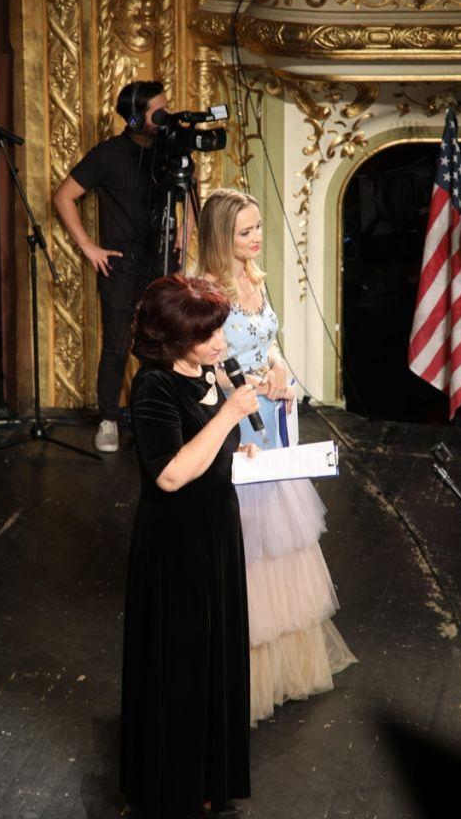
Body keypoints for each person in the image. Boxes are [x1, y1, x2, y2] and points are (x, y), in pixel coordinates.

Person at [196, 188, 356, 725]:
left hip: (274, 415)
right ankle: (247, 673)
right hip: (237, 418)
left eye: (258, 227)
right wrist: (248, 384)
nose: (257, 238)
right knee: (249, 537)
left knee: (281, 536)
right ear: (221, 237)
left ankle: (288, 667)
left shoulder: (255, 279)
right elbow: (204, 364)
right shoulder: (206, 291)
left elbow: (267, 341)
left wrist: (280, 371)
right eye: (245, 231)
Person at [121, 274, 258, 819]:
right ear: (175, 340)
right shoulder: (153, 387)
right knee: (183, 665)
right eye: (208, 335)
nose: (221, 342)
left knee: (213, 657)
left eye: (219, 330)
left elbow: (207, 447)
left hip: (216, 532)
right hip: (176, 545)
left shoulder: (206, 371)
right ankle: (176, 784)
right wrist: (227, 416)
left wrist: (234, 450)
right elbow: (171, 474)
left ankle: (208, 776)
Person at [54, 80, 170, 453]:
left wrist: (181, 240)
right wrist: (88, 246)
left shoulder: (168, 152)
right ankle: (108, 420)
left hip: (161, 261)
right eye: (158, 112)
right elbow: (64, 196)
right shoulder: (108, 155)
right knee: (117, 345)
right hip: (121, 265)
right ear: (135, 118)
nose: (165, 117)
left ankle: (156, 418)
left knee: (161, 345)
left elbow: (186, 196)